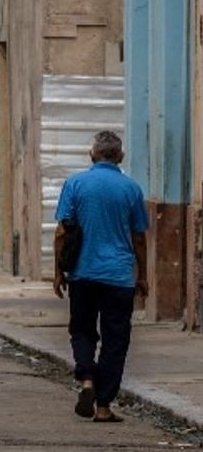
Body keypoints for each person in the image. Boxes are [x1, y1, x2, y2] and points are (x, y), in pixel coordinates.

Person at [53, 130, 148, 424]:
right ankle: (104, 407)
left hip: (82, 273)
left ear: (92, 154)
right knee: (115, 341)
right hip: (119, 276)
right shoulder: (131, 189)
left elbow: (62, 233)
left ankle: (87, 381)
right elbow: (139, 237)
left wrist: (58, 272)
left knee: (82, 331)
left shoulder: (75, 184)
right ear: (120, 156)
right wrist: (142, 276)